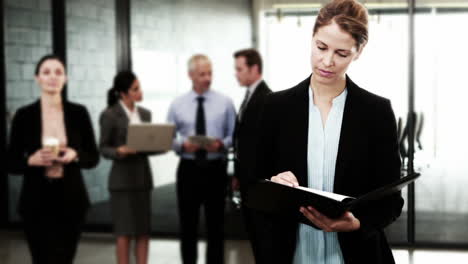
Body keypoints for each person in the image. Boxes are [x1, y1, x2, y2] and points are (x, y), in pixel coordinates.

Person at [255, 0, 404, 263]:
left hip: (356, 254)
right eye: (321, 47)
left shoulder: (376, 112)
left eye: (341, 53)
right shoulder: (275, 107)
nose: (327, 61)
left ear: (359, 51)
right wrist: (273, 185)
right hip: (291, 252)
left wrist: (357, 222)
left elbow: (391, 203)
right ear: (311, 38)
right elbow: (251, 185)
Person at [7, 54, 100, 264]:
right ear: (37, 78)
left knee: (65, 259)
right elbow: (10, 161)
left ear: (65, 79)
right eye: (46, 72)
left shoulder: (79, 112)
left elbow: (93, 158)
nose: (52, 77)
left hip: (71, 199)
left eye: (58, 72)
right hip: (36, 200)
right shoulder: (24, 115)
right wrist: (30, 160)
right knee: (41, 259)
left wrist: (75, 155)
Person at [167, 54, 236, 264]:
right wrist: (182, 145)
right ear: (190, 75)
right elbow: (168, 137)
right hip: (188, 169)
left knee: (216, 225)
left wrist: (221, 144)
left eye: (210, 73)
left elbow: (234, 135)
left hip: (215, 169)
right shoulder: (177, 104)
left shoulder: (225, 102)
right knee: (188, 225)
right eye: (202, 74)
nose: (208, 78)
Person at [99, 71, 158, 264]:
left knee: (143, 231)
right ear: (123, 94)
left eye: (139, 87)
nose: (140, 91)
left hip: (142, 178)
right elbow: (103, 148)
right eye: (135, 89)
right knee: (124, 233)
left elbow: (148, 146)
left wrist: (159, 145)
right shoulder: (109, 115)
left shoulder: (145, 114)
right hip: (121, 181)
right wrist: (119, 151)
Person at [231, 48, 273, 263]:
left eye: (239, 69)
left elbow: (262, 146)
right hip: (248, 181)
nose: (236, 73)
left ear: (254, 69)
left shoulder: (266, 98)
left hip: (258, 184)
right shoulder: (250, 96)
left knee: (262, 238)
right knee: (255, 237)